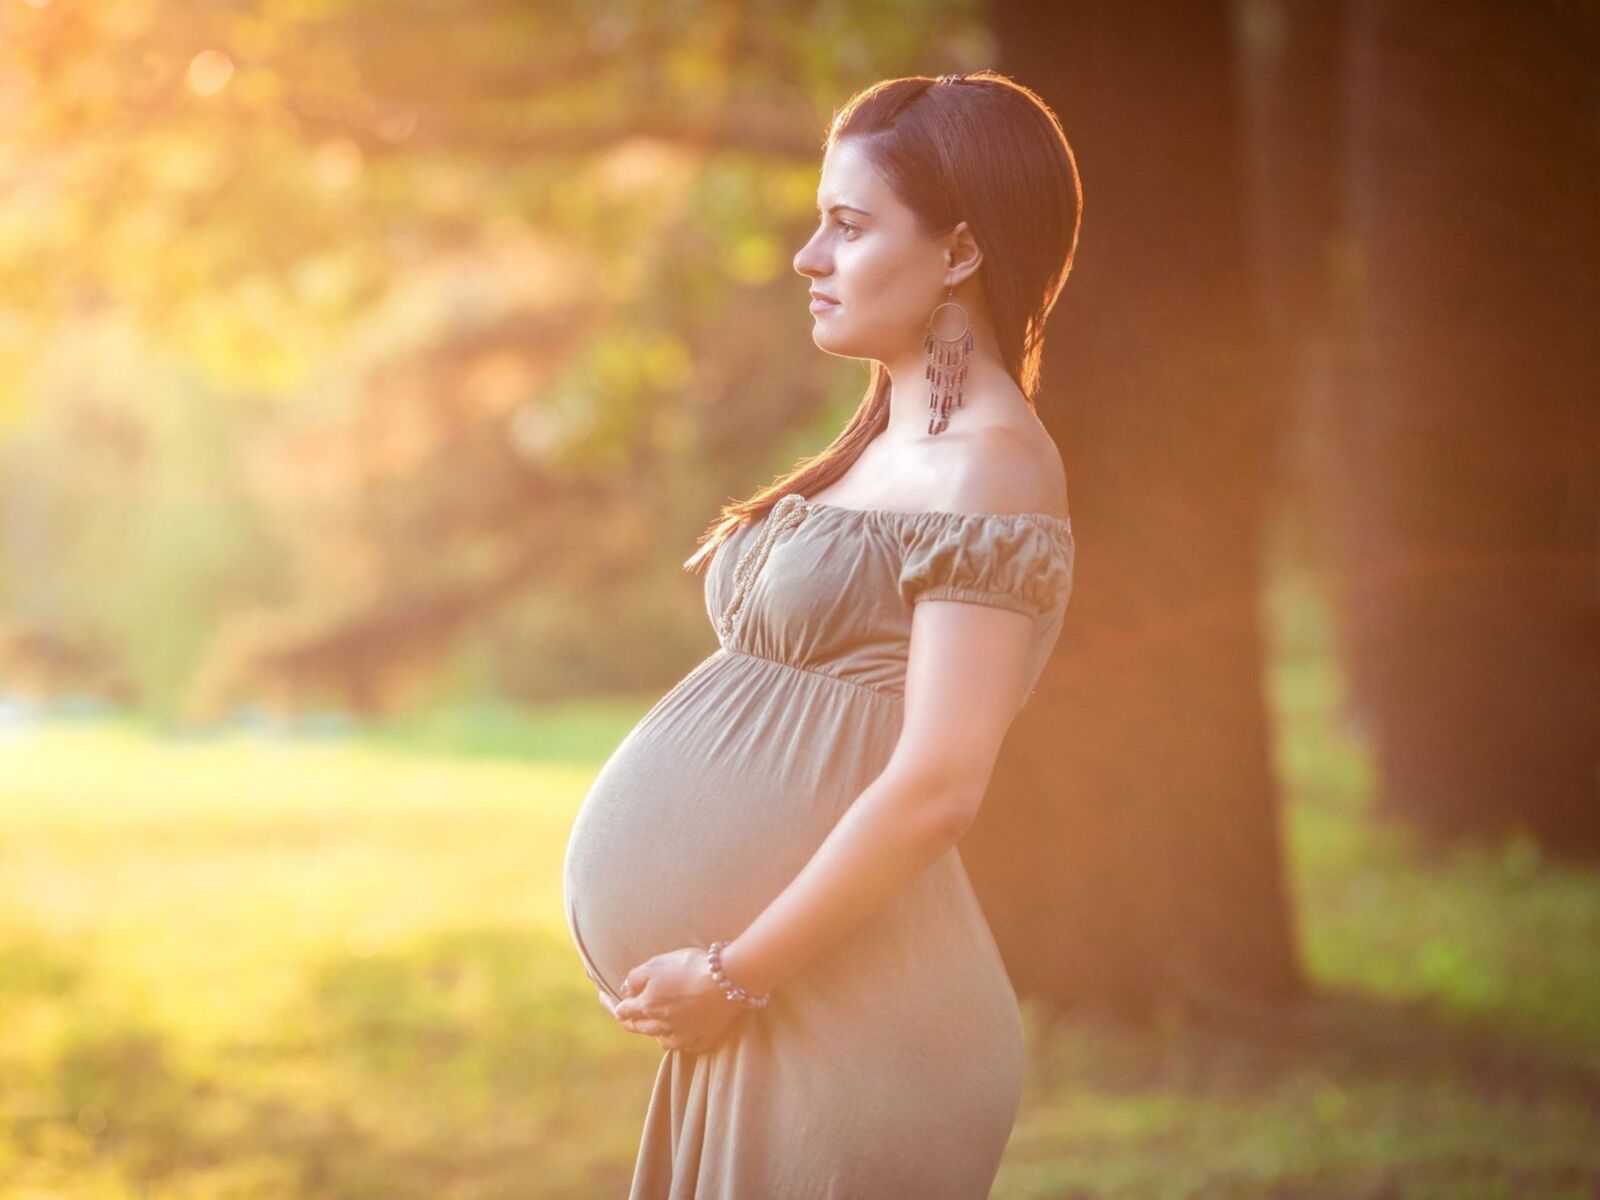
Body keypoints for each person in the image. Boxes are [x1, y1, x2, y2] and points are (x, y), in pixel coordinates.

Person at [561, 68, 1083, 1199]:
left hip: (849, 1024)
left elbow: (941, 782)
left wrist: (736, 971)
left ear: (958, 252)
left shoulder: (988, 463)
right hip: (761, 1010)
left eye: (847, 227)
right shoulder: (887, 442)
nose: (807, 258)